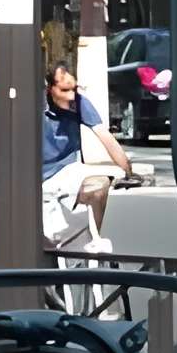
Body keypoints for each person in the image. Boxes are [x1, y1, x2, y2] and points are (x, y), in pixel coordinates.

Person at [40, 61, 135, 251]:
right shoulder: (36, 108)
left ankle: (94, 238)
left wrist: (128, 171)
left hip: (68, 170)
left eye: (74, 89)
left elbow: (105, 137)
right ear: (50, 89)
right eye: (65, 90)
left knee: (100, 185)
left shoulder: (80, 103)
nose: (71, 96)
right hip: (39, 178)